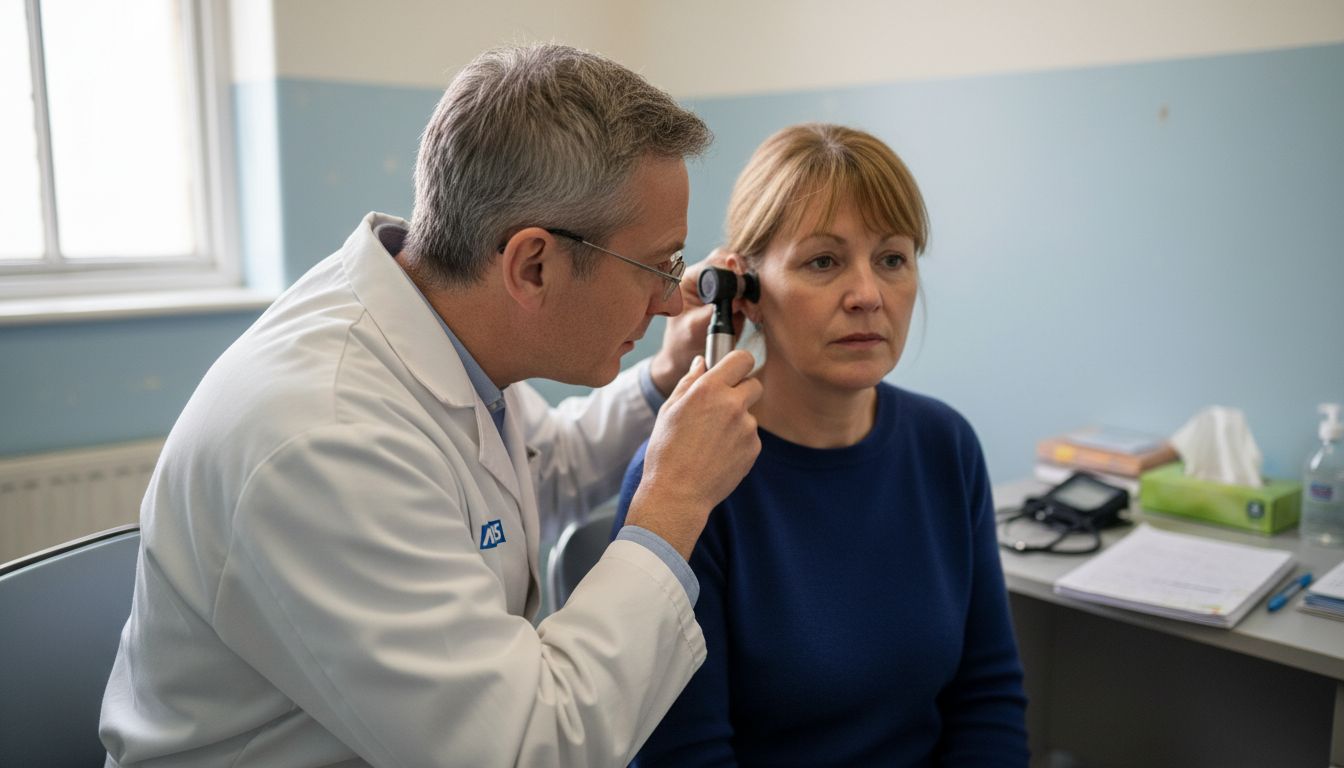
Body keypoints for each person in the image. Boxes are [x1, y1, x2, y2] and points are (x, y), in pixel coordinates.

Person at [99, 44, 762, 767]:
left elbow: (549, 470)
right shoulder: (326, 438)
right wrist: (674, 503)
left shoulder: (441, 319)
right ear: (532, 264)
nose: (671, 297)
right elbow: (527, 750)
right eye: (656, 266)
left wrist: (664, 378)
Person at [614, 123, 1029, 766]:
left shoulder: (945, 448)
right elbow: (684, 753)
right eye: (823, 262)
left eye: (892, 259)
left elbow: (988, 700)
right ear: (744, 291)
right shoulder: (688, 481)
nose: (867, 296)